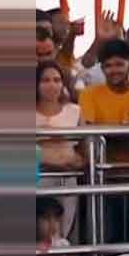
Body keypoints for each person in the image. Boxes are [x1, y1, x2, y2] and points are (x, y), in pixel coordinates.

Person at [36, 62, 84, 239]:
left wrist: (76, 162)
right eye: (45, 80)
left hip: (66, 180)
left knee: (61, 233)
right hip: (36, 178)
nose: (51, 85)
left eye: (57, 80)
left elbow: (85, 151)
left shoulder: (74, 111)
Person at [78, 39, 129, 162]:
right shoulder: (89, 94)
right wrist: (126, 129)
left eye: (119, 64)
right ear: (102, 68)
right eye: (108, 66)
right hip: (102, 160)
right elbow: (88, 130)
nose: (114, 71)